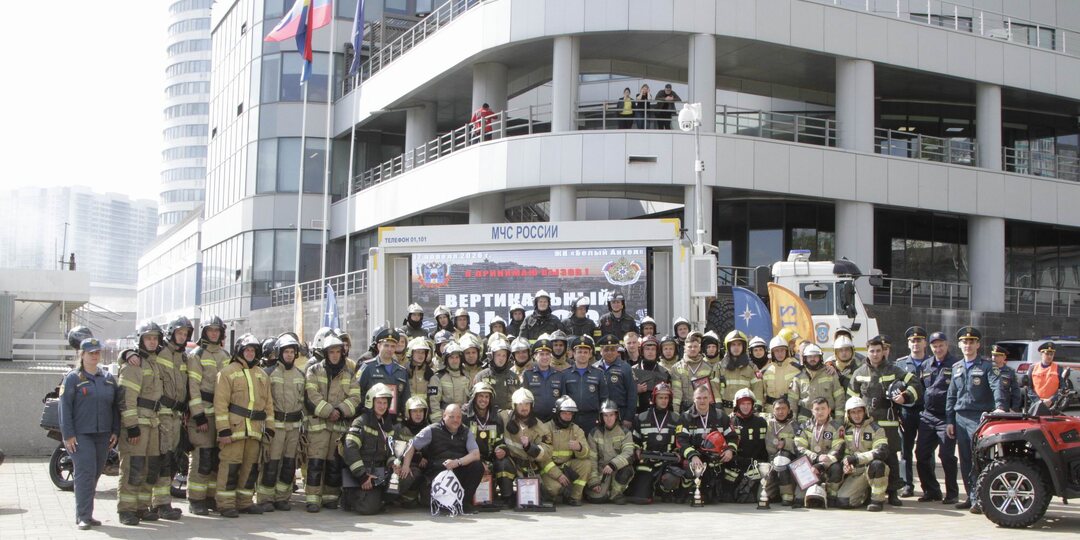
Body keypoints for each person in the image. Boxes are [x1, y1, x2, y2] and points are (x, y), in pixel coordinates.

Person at [848, 335, 921, 506]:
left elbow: (915, 383)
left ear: (883, 352)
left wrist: (906, 396)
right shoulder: (859, 373)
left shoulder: (893, 370)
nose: (875, 354)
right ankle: (869, 491)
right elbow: (851, 398)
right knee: (870, 457)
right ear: (867, 352)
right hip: (867, 423)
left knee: (891, 457)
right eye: (872, 351)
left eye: (878, 351)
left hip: (888, 421)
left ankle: (893, 492)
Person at [60, 338, 119, 530]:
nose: (94, 356)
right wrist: (68, 435)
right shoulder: (73, 378)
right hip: (81, 435)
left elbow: (115, 408)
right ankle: (83, 516)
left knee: (94, 474)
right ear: (82, 355)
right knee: (85, 474)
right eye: (90, 352)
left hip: (103, 435)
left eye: (97, 352)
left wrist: (115, 431)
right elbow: (65, 408)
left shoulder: (108, 378)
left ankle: (88, 513)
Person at [213, 334, 274, 518]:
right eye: (247, 349)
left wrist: (269, 427)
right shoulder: (227, 372)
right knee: (230, 468)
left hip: (255, 430)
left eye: (253, 350)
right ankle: (225, 504)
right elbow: (220, 403)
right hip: (234, 429)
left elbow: (268, 404)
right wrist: (223, 429)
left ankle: (245, 502)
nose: (250, 353)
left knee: (250, 468)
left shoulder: (262, 375)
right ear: (240, 350)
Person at [946, 326, 1005, 512]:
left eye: (972, 341)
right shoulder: (956, 367)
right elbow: (951, 396)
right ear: (959, 344)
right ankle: (970, 496)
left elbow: (997, 386)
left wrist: (1000, 407)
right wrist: (949, 419)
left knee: (977, 458)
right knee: (964, 458)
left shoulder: (988, 366)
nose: (968, 345)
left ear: (978, 344)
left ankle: (980, 497)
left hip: (978, 417)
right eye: (965, 341)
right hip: (960, 417)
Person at [304, 333, 362, 512]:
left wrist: (341, 411)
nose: (335, 355)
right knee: (315, 463)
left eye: (338, 351)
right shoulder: (314, 370)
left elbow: (355, 397)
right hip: (319, 426)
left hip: (338, 426)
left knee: (334, 463)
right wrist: (329, 411)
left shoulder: (349, 373)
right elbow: (311, 395)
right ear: (326, 353)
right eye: (331, 352)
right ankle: (313, 499)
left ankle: (330, 498)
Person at [116, 324, 165, 526]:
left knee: (150, 468)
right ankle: (126, 509)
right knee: (132, 468)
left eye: (155, 338)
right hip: (138, 425)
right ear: (141, 340)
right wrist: (131, 426)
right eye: (148, 338)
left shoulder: (154, 363)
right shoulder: (134, 364)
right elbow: (126, 399)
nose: (152, 342)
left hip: (153, 423)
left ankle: (141, 507)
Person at [401, 404, 485, 514]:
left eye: (458, 417)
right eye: (451, 417)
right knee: (440, 507)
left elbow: (475, 454)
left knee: (477, 465)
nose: (456, 420)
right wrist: (405, 466)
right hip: (437, 472)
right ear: (444, 415)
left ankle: (464, 503)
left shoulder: (466, 431)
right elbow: (412, 445)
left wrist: (457, 462)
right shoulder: (431, 430)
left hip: (458, 469)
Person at [255, 334, 306, 512]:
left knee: (288, 464)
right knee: (271, 463)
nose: (290, 355)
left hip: (293, 427)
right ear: (279, 353)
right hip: (276, 425)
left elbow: (303, 403)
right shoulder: (269, 373)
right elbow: (263, 401)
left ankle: (283, 498)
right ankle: (265, 498)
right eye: (286, 351)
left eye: (292, 351)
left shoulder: (301, 375)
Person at [341, 383, 409, 515]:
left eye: (385, 403)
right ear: (370, 402)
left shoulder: (387, 424)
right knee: (368, 509)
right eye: (379, 402)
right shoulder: (360, 422)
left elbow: (391, 450)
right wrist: (362, 476)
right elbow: (350, 449)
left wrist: (393, 464)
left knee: (407, 476)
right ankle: (350, 498)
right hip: (363, 473)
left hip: (380, 472)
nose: (383, 406)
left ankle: (381, 499)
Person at [186, 316, 229, 515]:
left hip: (220, 416)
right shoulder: (197, 355)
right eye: (210, 330)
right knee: (202, 458)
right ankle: (195, 499)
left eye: (217, 330)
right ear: (204, 332)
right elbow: (193, 387)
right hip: (203, 415)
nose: (213, 333)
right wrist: (198, 415)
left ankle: (210, 497)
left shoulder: (226, 355)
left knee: (215, 459)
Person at [914, 330, 959, 504]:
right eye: (934, 346)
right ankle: (931, 491)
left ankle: (952, 493)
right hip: (928, 416)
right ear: (930, 347)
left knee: (946, 456)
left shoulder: (956, 364)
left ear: (947, 345)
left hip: (946, 418)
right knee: (921, 454)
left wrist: (952, 419)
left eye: (941, 345)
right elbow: (922, 389)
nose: (938, 349)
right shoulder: (926, 365)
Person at [155, 316, 192, 521]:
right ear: (171, 333)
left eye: (185, 334)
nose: (182, 336)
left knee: (173, 458)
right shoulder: (161, 352)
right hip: (163, 413)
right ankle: (161, 503)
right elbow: (138, 358)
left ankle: (161, 501)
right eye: (179, 333)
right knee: (164, 459)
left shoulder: (183, 357)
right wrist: (128, 352)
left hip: (177, 415)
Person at [675, 386, 739, 504]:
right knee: (691, 469)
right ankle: (688, 491)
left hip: (716, 457)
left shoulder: (721, 416)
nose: (702, 401)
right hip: (696, 457)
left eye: (705, 397)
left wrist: (730, 450)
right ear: (694, 399)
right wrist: (693, 456)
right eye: (699, 398)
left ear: (710, 398)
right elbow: (681, 441)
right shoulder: (685, 417)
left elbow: (733, 437)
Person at [892, 326, 932, 497]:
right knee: (905, 450)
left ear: (925, 343)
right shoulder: (900, 364)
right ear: (908, 344)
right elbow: (892, 388)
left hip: (926, 412)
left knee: (926, 452)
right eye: (912, 341)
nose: (915, 344)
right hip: (906, 412)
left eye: (919, 340)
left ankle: (929, 487)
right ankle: (907, 485)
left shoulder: (932, 363)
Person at [498, 388, 554, 504]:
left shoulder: (541, 427)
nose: (524, 407)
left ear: (532, 405)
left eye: (527, 404)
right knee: (502, 464)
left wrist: (530, 447)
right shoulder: (504, 417)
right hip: (511, 462)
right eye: (520, 404)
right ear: (514, 405)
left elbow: (547, 452)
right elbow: (487, 415)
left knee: (548, 493)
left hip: (529, 467)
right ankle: (506, 498)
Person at [627, 383, 680, 504]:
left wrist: (677, 452)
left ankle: (664, 491)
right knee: (641, 499)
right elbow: (635, 439)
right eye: (660, 397)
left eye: (666, 398)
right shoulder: (641, 418)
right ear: (654, 399)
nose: (664, 400)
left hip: (667, 461)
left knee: (671, 478)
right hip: (646, 461)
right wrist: (637, 449)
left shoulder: (676, 419)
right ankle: (647, 489)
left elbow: (680, 441)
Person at [837, 397, 891, 511]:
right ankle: (865, 493)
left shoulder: (876, 429)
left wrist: (857, 459)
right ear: (848, 414)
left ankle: (877, 500)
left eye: (859, 411)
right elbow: (845, 452)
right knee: (843, 501)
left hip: (871, 468)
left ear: (865, 412)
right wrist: (846, 464)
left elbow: (881, 451)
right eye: (853, 412)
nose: (857, 415)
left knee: (877, 464)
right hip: (856, 472)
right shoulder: (845, 431)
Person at [462, 382, 511, 504]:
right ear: (474, 397)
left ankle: (506, 499)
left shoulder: (496, 417)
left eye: (487, 397)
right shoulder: (465, 416)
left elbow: (500, 440)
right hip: (470, 459)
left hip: (490, 459)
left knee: (505, 463)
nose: (483, 400)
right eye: (480, 396)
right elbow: (460, 444)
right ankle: (467, 499)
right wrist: (478, 462)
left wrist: (502, 449)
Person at [792, 397, 844, 507]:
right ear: (812, 411)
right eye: (817, 409)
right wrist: (815, 457)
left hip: (828, 463)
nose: (820, 412)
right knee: (799, 501)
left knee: (837, 467)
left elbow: (838, 450)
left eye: (823, 408)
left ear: (829, 410)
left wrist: (821, 464)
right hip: (810, 463)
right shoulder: (804, 426)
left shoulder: (837, 427)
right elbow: (798, 447)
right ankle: (806, 492)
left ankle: (831, 496)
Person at [542, 396, 592, 505]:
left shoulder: (576, 430)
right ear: (557, 413)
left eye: (570, 414)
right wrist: (558, 475)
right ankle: (552, 493)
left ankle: (574, 497)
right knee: (556, 489)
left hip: (566, 466)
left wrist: (580, 448)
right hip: (548, 468)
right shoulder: (546, 428)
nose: (567, 417)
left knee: (586, 464)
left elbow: (587, 453)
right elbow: (542, 458)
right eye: (564, 413)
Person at [586, 400, 636, 504]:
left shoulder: (625, 432)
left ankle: (616, 494)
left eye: (611, 415)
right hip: (602, 472)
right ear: (601, 417)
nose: (608, 419)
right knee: (597, 499)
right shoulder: (594, 433)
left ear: (616, 415)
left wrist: (613, 465)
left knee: (627, 470)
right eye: (605, 415)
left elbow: (629, 453)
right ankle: (605, 492)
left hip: (617, 469)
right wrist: (594, 482)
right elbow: (592, 459)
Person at [356, 328, 411, 421]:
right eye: (386, 345)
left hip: (393, 422)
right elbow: (357, 392)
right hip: (371, 420)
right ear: (379, 346)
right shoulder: (367, 367)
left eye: (393, 346)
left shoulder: (402, 371)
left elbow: (405, 399)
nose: (389, 349)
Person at [728, 389, 768, 504]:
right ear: (737, 405)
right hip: (735, 464)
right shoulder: (730, 421)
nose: (746, 407)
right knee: (728, 495)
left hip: (756, 465)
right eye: (742, 404)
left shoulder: (761, 422)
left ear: (753, 405)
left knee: (752, 496)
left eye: (748, 404)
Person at [561, 335, 609, 431]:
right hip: (571, 418)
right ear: (574, 354)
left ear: (590, 354)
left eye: (585, 352)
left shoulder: (598, 373)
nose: (582, 355)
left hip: (592, 418)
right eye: (579, 352)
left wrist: (602, 417)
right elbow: (563, 398)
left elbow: (604, 398)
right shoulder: (565, 374)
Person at [788, 344, 845, 423]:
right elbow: (792, 402)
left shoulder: (830, 374)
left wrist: (839, 420)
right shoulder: (798, 378)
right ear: (805, 358)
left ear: (820, 358)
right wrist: (792, 421)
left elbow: (839, 398)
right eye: (809, 357)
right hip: (805, 418)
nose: (812, 359)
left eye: (815, 356)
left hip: (827, 418)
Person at [758, 396, 797, 509]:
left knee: (782, 459)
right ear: (772, 410)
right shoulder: (767, 422)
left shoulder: (794, 425)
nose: (780, 412)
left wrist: (786, 443)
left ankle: (787, 495)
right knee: (761, 496)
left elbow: (800, 445)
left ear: (789, 410)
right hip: (770, 461)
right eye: (777, 409)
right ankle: (775, 493)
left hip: (787, 461)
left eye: (783, 408)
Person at [670, 332, 720, 414]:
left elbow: (712, 393)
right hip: (684, 409)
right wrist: (675, 412)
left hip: (704, 409)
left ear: (699, 348)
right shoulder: (676, 368)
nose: (693, 349)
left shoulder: (708, 367)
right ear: (685, 348)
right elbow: (676, 392)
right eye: (690, 347)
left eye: (695, 346)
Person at [717, 330, 764, 415]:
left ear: (744, 347)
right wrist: (718, 406)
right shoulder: (719, 367)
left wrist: (757, 407)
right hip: (724, 411)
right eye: (733, 344)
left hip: (746, 412)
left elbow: (758, 389)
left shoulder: (752, 368)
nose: (736, 348)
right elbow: (714, 387)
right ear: (728, 347)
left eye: (739, 344)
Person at [594, 334, 636, 428]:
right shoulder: (594, 368)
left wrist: (628, 418)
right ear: (601, 351)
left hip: (621, 415)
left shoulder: (626, 368)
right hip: (600, 416)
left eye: (612, 350)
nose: (609, 352)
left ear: (617, 351)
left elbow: (632, 394)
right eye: (606, 350)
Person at [520, 337, 563, 422]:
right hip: (534, 420)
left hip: (554, 420)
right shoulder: (527, 374)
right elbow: (524, 399)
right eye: (541, 354)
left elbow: (563, 398)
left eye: (547, 354)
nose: (545, 357)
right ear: (535, 356)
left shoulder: (559, 375)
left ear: (551, 357)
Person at [474, 336, 519, 412]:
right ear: (492, 356)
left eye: (504, 355)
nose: (501, 358)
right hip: (487, 416)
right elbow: (474, 400)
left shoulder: (514, 377)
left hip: (508, 417)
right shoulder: (481, 376)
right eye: (498, 355)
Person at [429, 343, 471, 422]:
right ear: (446, 360)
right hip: (445, 420)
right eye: (451, 358)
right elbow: (434, 404)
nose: (455, 361)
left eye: (457, 357)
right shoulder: (437, 378)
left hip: (463, 421)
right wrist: (439, 424)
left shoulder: (466, 378)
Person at [762, 335, 801, 415]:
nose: (780, 354)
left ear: (786, 351)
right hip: (771, 412)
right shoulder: (766, 371)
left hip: (790, 410)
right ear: (772, 352)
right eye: (776, 351)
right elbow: (762, 395)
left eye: (782, 350)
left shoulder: (797, 368)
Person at [631, 335, 670, 414]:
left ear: (657, 352)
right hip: (637, 412)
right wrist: (635, 390)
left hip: (659, 413)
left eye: (653, 349)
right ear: (642, 351)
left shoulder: (664, 372)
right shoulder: (632, 371)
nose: (650, 352)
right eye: (647, 349)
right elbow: (624, 393)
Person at [1028, 341, 1067, 408]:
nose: (1049, 356)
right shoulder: (1032, 368)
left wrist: (1051, 400)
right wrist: (1038, 401)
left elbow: (1062, 388)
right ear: (1041, 354)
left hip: (1053, 405)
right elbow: (1028, 388)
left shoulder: (1058, 368)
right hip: (1036, 403)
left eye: (1051, 354)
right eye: (1047, 354)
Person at [990, 344, 1023, 412]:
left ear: (1004, 357)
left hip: (1004, 407)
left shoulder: (1010, 372)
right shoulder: (988, 370)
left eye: (997, 356)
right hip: (988, 406)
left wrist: (1014, 408)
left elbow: (1015, 390)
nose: (993, 358)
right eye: (993, 355)